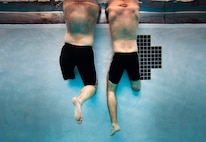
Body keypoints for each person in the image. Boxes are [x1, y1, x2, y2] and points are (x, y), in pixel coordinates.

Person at [59, 0, 100, 124]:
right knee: (91, 85)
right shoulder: (93, 5)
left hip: (67, 49)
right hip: (84, 49)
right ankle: (80, 100)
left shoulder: (67, 3)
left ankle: (70, 76)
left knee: (70, 77)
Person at [106, 0, 141, 136]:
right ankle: (134, 80)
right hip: (133, 54)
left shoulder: (111, 7)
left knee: (111, 91)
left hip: (119, 55)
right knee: (136, 87)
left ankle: (115, 124)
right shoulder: (135, 7)